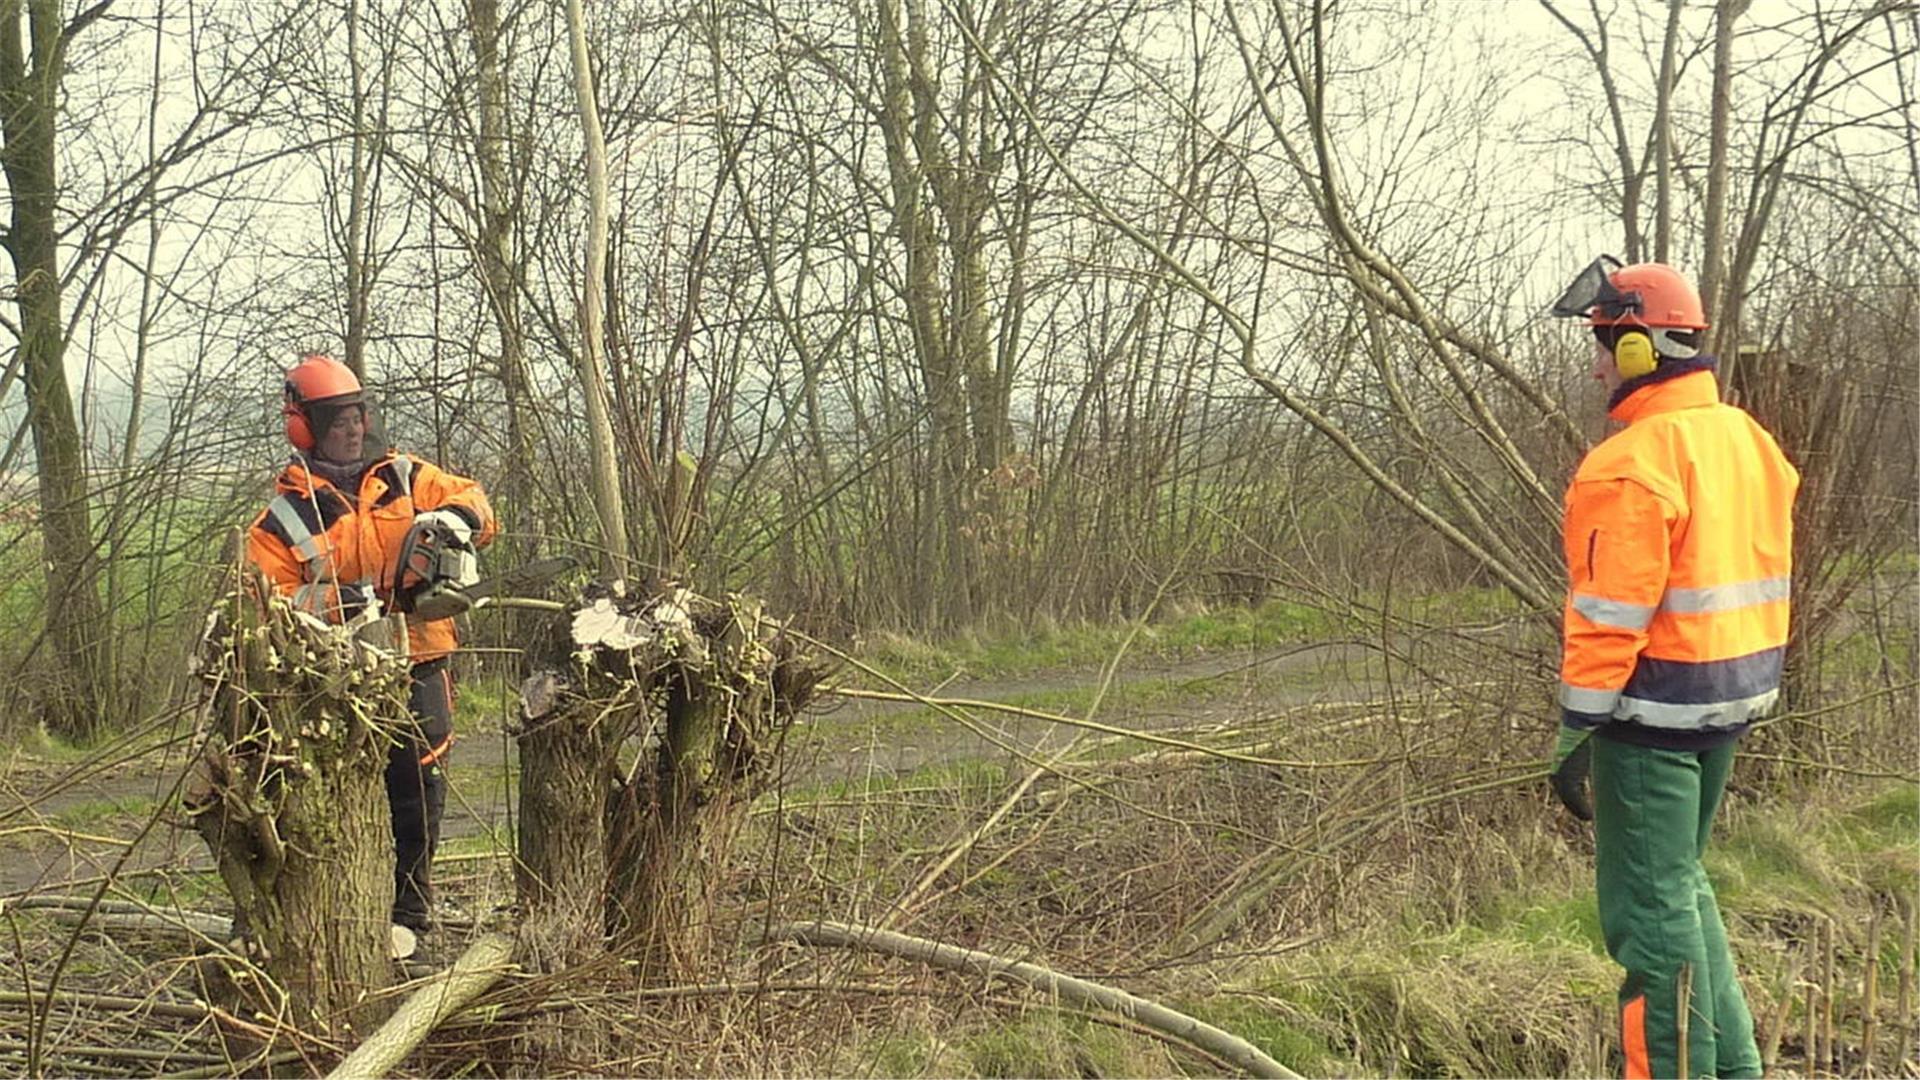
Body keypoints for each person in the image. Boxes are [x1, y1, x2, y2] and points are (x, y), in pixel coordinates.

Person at [1547, 260, 1798, 1079]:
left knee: (1650, 924)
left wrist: (1578, 727)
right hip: (1727, 703)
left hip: (1647, 720)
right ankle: (1736, 1071)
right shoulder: (1745, 438)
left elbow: (1606, 616)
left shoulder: (1631, 462)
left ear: (1640, 350)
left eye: (1603, 344)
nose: (1594, 365)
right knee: (1684, 893)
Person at [246, 353, 496, 938]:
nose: (353, 428)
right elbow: (264, 601)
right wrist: (343, 603)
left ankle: (411, 914)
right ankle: (337, 920)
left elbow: (477, 501)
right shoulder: (284, 516)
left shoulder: (407, 477)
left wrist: (453, 520)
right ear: (305, 426)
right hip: (335, 679)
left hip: (420, 654)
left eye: (357, 415)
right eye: (338, 420)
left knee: (420, 790)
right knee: (336, 801)